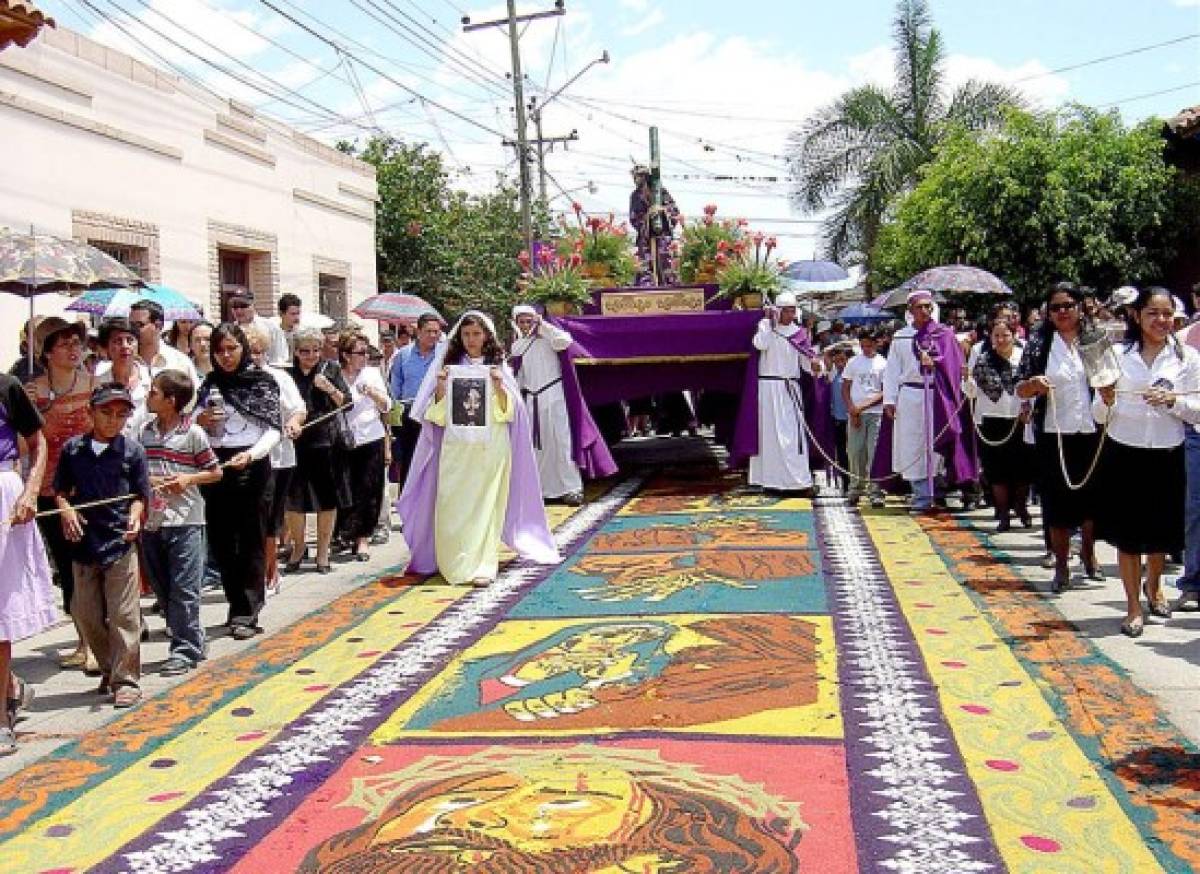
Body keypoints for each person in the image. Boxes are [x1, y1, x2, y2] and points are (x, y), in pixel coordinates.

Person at [396, 311, 558, 586]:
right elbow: (435, 415)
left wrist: (498, 387)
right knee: (452, 505)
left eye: (476, 334)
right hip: (456, 450)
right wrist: (440, 387)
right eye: (466, 334)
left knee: (486, 506)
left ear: (487, 336)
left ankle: (483, 564)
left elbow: (510, 413)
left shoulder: (498, 367)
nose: (471, 340)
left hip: (490, 448)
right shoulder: (448, 367)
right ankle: (453, 562)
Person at [1093, 287, 1200, 637]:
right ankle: (1132, 607)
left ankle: (1154, 586)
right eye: (1153, 313)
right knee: (1129, 535)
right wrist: (1105, 398)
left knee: (1160, 535)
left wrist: (1173, 402)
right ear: (1137, 316)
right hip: (1125, 450)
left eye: (1167, 313)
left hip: (1168, 451)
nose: (1161, 320)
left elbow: (1197, 409)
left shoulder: (1188, 358)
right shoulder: (1117, 356)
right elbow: (1099, 414)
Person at [54, 383, 151, 708]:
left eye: (121, 414)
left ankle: (126, 679)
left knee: (124, 615)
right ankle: (108, 666)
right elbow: (60, 492)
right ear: (91, 413)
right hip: (83, 543)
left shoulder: (133, 451)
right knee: (87, 614)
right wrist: (66, 510)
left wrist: (135, 516)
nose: (113, 420)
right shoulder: (73, 450)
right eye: (106, 413)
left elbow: (140, 494)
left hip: (119, 541)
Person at [1016, 282, 1105, 592]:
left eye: (1068, 305)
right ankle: (1062, 565)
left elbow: (1111, 380)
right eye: (1055, 307)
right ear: (1048, 313)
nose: (1063, 312)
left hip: (1092, 428)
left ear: (1080, 307)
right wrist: (1033, 385)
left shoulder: (1095, 340)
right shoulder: (1039, 343)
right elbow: (1020, 388)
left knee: (1091, 498)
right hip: (1054, 431)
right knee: (1057, 501)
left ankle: (1091, 555)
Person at [196, 323, 281, 639]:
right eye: (220, 351)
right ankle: (234, 602)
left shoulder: (262, 382)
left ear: (243, 348)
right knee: (222, 540)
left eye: (232, 348)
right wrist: (200, 420)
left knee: (249, 540)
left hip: (252, 464)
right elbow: (190, 424)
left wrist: (253, 454)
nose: (226, 356)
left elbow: (274, 428)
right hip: (216, 464)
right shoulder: (209, 384)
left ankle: (247, 610)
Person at [26, 316, 97, 672]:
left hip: (87, 487)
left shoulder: (94, 384)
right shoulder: (32, 392)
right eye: (64, 344)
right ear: (47, 352)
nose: (73, 350)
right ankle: (83, 639)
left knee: (90, 562)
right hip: (49, 488)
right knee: (67, 568)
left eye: (76, 343)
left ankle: (96, 640)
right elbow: (26, 443)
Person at [139, 370, 222, 675]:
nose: (149, 396)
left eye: (155, 392)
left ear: (171, 400)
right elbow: (137, 471)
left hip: (186, 520)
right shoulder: (145, 432)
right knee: (162, 589)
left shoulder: (193, 434)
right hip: (154, 521)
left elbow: (215, 471)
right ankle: (193, 636)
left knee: (185, 588)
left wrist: (188, 479)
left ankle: (183, 648)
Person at [0, 368, 57, 754]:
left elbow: (39, 443)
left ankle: (1, 716)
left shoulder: (6, 387)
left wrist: (31, 492)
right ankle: (12, 687)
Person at [876, 290, 975, 512]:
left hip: (937, 396)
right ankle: (921, 494)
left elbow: (954, 365)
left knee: (938, 442)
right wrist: (890, 400)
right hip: (910, 396)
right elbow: (892, 370)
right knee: (912, 446)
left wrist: (936, 365)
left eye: (928, 306)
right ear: (910, 310)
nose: (924, 311)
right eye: (919, 307)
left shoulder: (943, 334)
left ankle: (938, 491)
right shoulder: (901, 336)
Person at [243, 325, 305, 597]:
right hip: (242, 458)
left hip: (278, 458)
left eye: (259, 352)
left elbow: (298, 409)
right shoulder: (231, 381)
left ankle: (270, 571)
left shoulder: (279, 377)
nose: (255, 357)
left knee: (270, 519)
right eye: (250, 352)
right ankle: (251, 574)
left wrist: (293, 422)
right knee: (249, 519)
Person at [285, 326, 351, 574]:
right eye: (305, 351)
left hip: (326, 442)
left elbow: (347, 403)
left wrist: (330, 389)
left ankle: (323, 552)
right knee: (295, 500)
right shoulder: (288, 374)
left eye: (315, 350)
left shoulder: (330, 369)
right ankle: (299, 547)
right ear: (296, 351)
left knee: (327, 498)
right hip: (297, 442)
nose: (311, 356)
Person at [510, 305, 583, 505]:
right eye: (521, 322)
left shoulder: (549, 339)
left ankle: (571, 487)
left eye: (529, 321)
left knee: (560, 441)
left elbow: (565, 341)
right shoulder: (518, 346)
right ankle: (542, 490)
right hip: (532, 399)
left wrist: (544, 326)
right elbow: (519, 375)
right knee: (537, 446)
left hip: (553, 395)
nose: (526, 325)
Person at [968, 316, 1034, 532]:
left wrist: (1029, 407)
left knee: (1023, 469)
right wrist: (966, 381)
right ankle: (1003, 513)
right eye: (996, 335)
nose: (1001, 339)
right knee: (997, 471)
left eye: (1005, 335)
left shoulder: (1024, 357)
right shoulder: (983, 358)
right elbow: (971, 390)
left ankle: (1021, 506)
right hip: (991, 419)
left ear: (1014, 336)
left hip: (1019, 419)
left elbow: (1032, 385)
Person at [749, 292, 816, 493]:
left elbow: (806, 362)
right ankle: (770, 481)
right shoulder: (765, 326)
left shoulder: (800, 333)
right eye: (785, 310)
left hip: (789, 388)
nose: (789, 314)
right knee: (769, 436)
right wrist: (770, 324)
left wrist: (815, 365)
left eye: (792, 310)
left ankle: (798, 481)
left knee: (791, 436)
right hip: (769, 387)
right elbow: (761, 344)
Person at [334, 331, 389, 561]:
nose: (365, 357)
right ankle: (344, 533)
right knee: (345, 488)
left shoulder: (372, 374)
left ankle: (363, 538)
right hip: (343, 439)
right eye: (360, 353)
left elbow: (387, 406)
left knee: (369, 489)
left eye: (366, 352)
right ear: (346, 355)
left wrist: (374, 393)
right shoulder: (334, 374)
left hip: (370, 436)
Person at [389, 313, 442, 487]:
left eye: (436, 332)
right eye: (429, 331)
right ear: (418, 332)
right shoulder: (403, 355)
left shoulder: (445, 355)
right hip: (410, 414)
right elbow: (395, 386)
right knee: (409, 459)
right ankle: (407, 501)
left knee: (434, 460)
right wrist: (394, 414)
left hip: (436, 413)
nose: (433, 336)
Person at [842, 328, 887, 507]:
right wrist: (852, 409)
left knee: (873, 452)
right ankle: (855, 487)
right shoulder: (853, 362)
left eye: (869, 345)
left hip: (875, 413)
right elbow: (845, 387)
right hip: (855, 412)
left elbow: (885, 391)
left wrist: (863, 407)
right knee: (854, 451)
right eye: (863, 346)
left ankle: (875, 489)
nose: (866, 349)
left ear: (876, 344)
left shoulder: (883, 363)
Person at [94, 317, 152, 430]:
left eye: (130, 340)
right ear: (107, 347)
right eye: (117, 341)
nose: (124, 346)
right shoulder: (97, 382)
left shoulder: (151, 379)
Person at [129, 299, 199, 388]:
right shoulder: (123, 360)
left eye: (139, 325)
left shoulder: (180, 362)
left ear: (158, 325)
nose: (132, 330)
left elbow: (195, 398)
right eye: (131, 325)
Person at [629, 164, 679, 285]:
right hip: (645, 240)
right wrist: (648, 218)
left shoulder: (661, 192)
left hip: (663, 239)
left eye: (640, 176)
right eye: (635, 177)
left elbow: (674, 212)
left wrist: (662, 212)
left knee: (666, 267)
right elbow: (634, 218)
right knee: (645, 268)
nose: (637, 180)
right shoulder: (635, 195)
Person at [228, 290, 289, 366]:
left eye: (243, 306)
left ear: (253, 306)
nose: (238, 310)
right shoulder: (230, 330)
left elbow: (280, 357)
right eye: (235, 307)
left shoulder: (271, 327)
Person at [827, 343, 851, 493]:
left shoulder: (852, 375)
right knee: (841, 453)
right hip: (838, 420)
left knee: (854, 453)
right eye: (837, 361)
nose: (840, 363)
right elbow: (825, 353)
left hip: (851, 418)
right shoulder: (833, 375)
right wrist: (836, 347)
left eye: (843, 360)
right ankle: (846, 483)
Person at [273, 293, 302, 362]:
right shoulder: (273, 335)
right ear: (281, 314)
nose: (297, 317)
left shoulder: (302, 334)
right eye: (293, 314)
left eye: (298, 313)